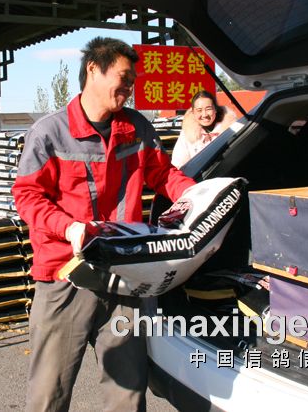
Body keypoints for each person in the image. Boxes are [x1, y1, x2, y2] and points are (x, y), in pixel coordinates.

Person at [12, 37, 195, 412]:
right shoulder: (49, 133)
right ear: (93, 69)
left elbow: (163, 175)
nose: (130, 87)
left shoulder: (136, 127)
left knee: (128, 391)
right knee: (49, 394)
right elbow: (27, 196)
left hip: (125, 275)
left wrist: (198, 197)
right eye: (124, 77)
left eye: (133, 81)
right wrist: (68, 228)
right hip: (67, 275)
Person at [171, 90, 238, 168]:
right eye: (199, 110)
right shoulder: (186, 134)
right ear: (193, 112)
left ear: (215, 109)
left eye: (208, 109)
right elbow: (178, 165)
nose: (204, 115)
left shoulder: (232, 130)